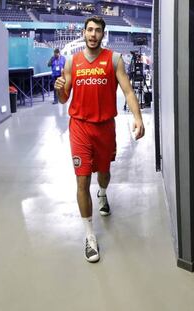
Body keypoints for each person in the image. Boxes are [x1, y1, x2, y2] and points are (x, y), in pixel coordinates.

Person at [54, 16, 145, 263]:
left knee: (103, 173)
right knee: (82, 181)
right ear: (84, 33)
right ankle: (89, 235)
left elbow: (128, 90)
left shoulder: (113, 59)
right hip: (80, 128)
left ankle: (103, 193)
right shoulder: (72, 62)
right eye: (89, 30)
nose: (93, 34)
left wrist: (138, 117)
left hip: (105, 128)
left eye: (97, 31)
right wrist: (58, 87)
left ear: (103, 35)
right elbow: (64, 99)